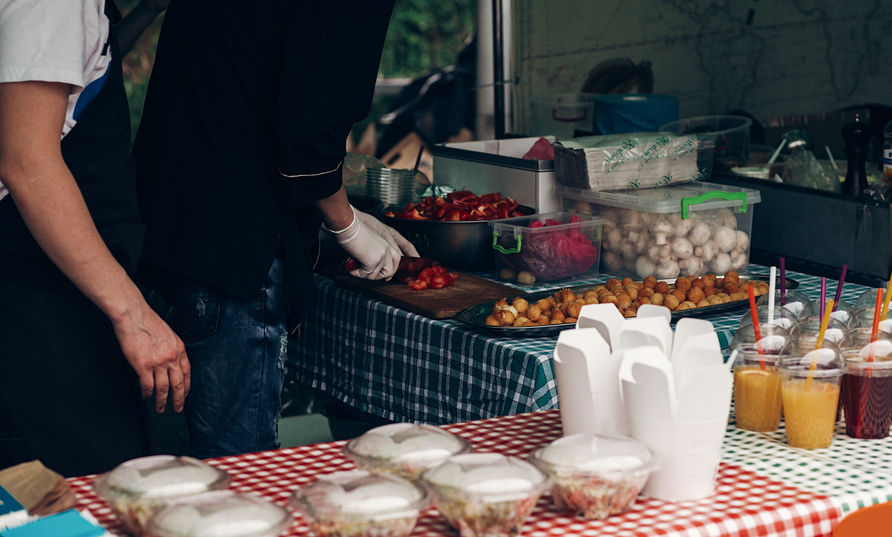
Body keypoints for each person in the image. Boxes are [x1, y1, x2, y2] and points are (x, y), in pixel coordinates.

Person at [132, 0, 417, 459]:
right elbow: (309, 135)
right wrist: (347, 227)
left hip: (169, 230)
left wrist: (345, 213)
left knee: (180, 467)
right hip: (234, 254)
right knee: (240, 468)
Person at [0, 0, 190, 477]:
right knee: (66, 497)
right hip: (36, 290)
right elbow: (26, 162)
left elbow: (66, 81)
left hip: (54, 285)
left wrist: (145, 13)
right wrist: (135, 316)